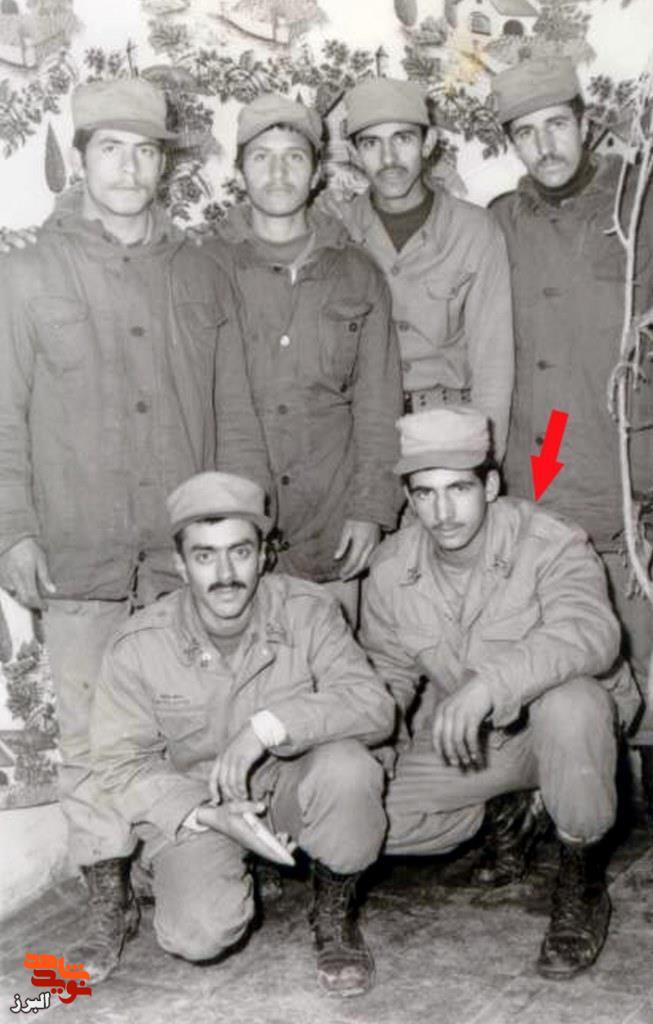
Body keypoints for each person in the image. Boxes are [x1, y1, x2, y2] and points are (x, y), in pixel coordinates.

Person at [0, 79, 269, 980]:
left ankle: (190, 864)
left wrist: (236, 533)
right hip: (76, 553)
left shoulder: (201, 271)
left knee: (189, 722)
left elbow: (235, 413)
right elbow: (1, 414)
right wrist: (13, 529)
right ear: (80, 159)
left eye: (145, 150)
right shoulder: (26, 271)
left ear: (165, 165)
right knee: (89, 738)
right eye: (109, 148)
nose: (127, 167)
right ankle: (106, 900)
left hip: (181, 560)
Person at [489, 58, 653, 837]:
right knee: (546, 627)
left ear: (585, 124)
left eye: (556, 124)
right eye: (525, 133)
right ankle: (555, 795)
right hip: (540, 449)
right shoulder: (500, 221)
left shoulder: (646, 209)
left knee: (637, 628)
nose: (544, 145)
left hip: (623, 452)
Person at [90, 471, 395, 996]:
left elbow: (374, 706)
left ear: (264, 556)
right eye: (205, 556)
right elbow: (119, 764)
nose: (226, 574)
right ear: (180, 565)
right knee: (197, 935)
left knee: (350, 769)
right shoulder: (138, 645)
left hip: (290, 787)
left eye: (240, 552)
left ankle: (334, 915)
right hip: (203, 805)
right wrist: (209, 816)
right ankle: (166, 870)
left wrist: (266, 727)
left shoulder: (309, 611)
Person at [361, 406, 626, 978]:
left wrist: (490, 684)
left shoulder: (550, 541)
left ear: (490, 485)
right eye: (425, 493)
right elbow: (387, 673)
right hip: (480, 744)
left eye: (458, 489)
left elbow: (592, 632)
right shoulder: (390, 569)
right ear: (408, 499)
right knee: (353, 818)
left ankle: (581, 882)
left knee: (572, 702)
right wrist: (369, 746)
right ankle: (504, 814)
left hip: (568, 734)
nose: (442, 512)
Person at [206, 94, 402, 624]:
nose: (277, 173)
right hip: (231, 535)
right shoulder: (202, 268)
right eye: (261, 156)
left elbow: (379, 405)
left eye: (294, 157)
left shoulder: (357, 272)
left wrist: (370, 509)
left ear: (316, 172)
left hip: (331, 530)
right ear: (240, 170)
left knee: (330, 670)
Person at [325, 77, 514, 458]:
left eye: (403, 138)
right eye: (371, 143)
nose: (389, 159)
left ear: (428, 143)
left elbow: (493, 363)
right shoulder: (336, 231)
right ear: (355, 154)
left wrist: (485, 462)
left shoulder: (474, 230)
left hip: (449, 429)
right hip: (360, 434)